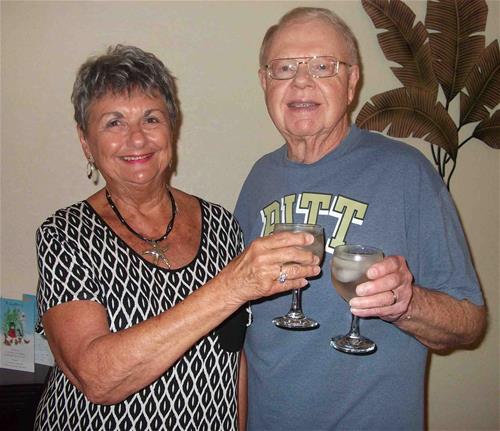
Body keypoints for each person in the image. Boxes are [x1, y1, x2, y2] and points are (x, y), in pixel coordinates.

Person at [34, 44, 320, 430]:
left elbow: (234, 358)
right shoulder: (65, 234)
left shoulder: (221, 225)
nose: (137, 139)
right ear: (86, 141)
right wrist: (230, 287)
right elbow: (98, 379)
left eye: (151, 119)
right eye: (114, 123)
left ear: (172, 127)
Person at [234, 7, 487, 431]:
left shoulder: (406, 172)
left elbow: (470, 322)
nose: (301, 81)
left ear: (352, 81)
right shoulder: (259, 178)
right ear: (264, 82)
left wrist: (406, 304)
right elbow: (241, 332)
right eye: (284, 68)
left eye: (322, 66)